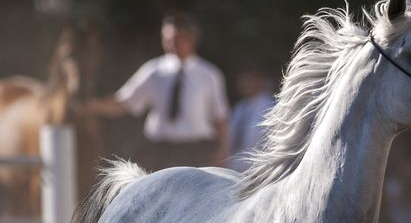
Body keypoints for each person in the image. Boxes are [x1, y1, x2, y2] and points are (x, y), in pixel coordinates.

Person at [86, 11, 229, 170]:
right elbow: (123, 103)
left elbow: (221, 118)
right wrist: (91, 105)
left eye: (176, 39)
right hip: (160, 150)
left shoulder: (209, 75)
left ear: (191, 39)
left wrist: (222, 152)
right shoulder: (153, 71)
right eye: (166, 39)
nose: (170, 45)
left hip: (195, 150)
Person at [227, 66, 275, 172]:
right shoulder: (239, 108)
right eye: (242, 79)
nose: (244, 83)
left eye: (249, 79)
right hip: (235, 168)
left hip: (260, 169)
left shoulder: (271, 107)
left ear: (259, 80)